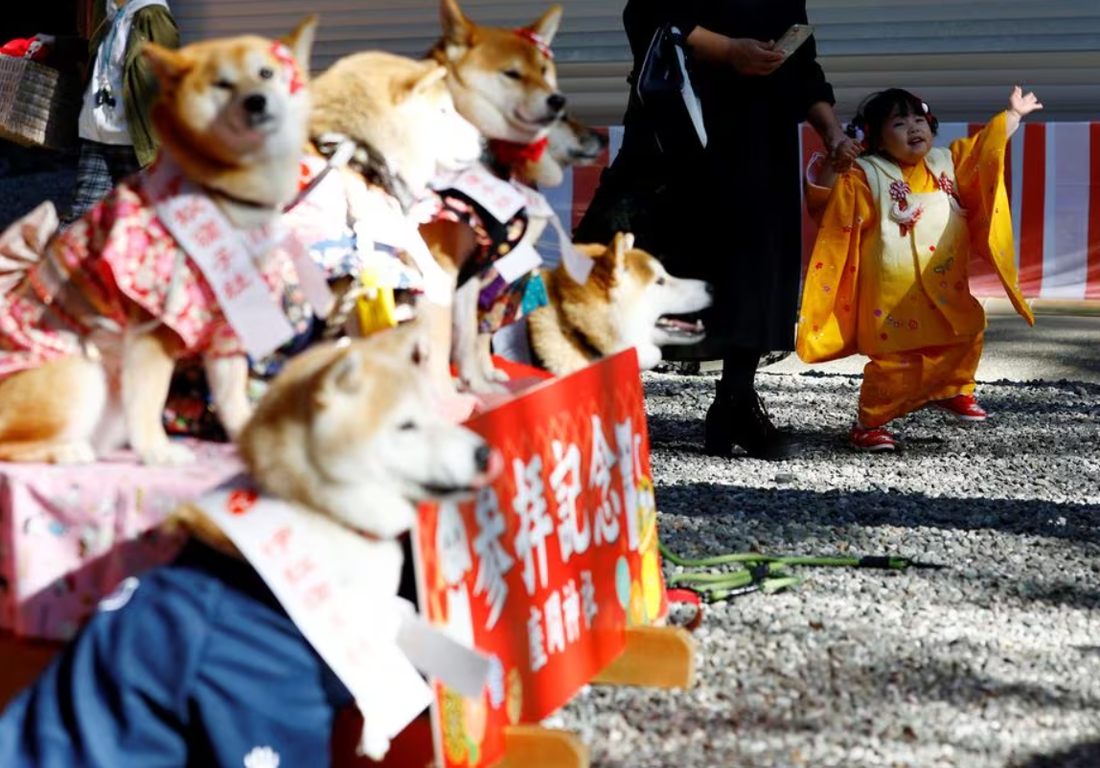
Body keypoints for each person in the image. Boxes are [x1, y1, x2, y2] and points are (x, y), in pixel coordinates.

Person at [574, 0, 858, 461]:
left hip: (760, 131)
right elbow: (645, 13)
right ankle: (584, 398)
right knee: (622, 254)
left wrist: (831, 132)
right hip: (679, 123)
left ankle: (736, 401)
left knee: (755, 260)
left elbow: (801, 57)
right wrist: (728, 50)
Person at [796, 86, 1041, 452]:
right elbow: (832, 204)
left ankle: (952, 390)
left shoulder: (946, 162)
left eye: (918, 119)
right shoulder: (867, 173)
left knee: (965, 334)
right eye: (899, 122)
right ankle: (870, 423)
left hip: (945, 280)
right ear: (875, 136)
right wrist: (837, 162)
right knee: (897, 361)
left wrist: (1013, 117)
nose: (914, 128)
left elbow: (983, 151)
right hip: (892, 293)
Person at [62, 0, 179, 227]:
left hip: (136, 142)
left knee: (146, 222)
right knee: (81, 221)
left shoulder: (153, 14)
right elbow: (95, 52)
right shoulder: (106, 10)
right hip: (97, 134)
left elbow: (169, 74)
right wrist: (55, 44)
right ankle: (65, 262)